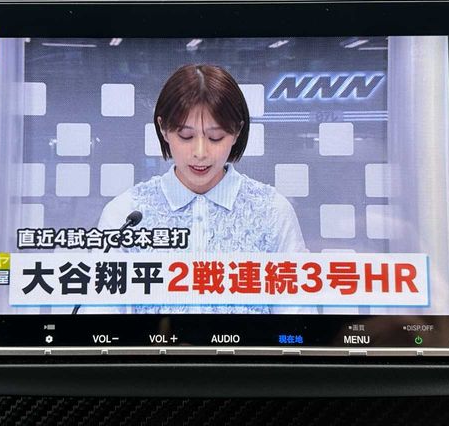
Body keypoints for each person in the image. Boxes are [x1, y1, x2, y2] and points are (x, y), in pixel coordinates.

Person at [96, 64, 306, 313]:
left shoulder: (272, 211)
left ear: (237, 131)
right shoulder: (125, 214)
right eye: (185, 136)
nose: (200, 152)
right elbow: (100, 318)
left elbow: (298, 319)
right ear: (163, 129)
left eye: (215, 137)